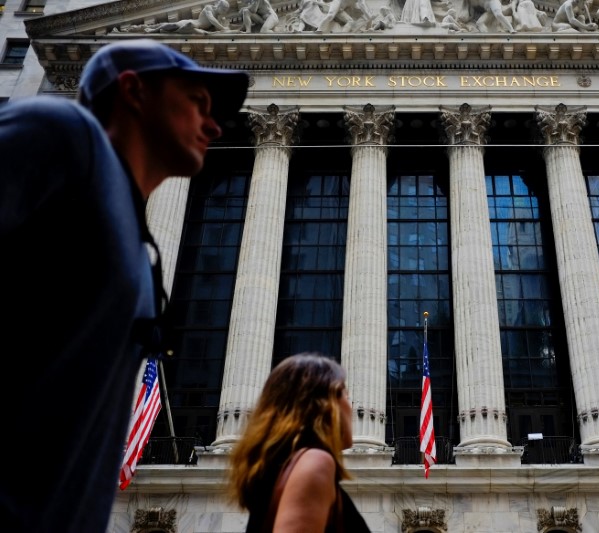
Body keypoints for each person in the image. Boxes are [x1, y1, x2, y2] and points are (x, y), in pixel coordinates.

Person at [0, 39, 248, 533]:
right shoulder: (63, 133)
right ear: (134, 91)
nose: (216, 125)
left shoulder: (139, 248)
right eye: (198, 101)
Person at [229, 353, 371, 533]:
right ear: (325, 405)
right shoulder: (315, 462)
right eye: (345, 394)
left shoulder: (276, 469)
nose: (351, 406)